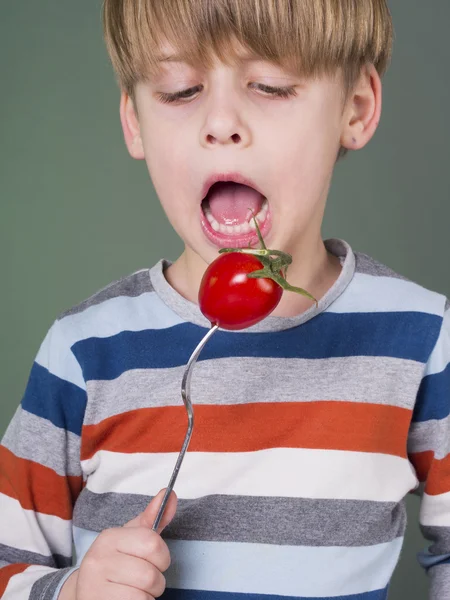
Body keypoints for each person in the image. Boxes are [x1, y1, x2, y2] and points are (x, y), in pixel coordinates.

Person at [1, 1, 449, 599]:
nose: (221, 123)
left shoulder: (420, 337)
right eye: (181, 91)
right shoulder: (85, 350)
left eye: (270, 85)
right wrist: (73, 592)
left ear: (356, 108)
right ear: (134, 121)